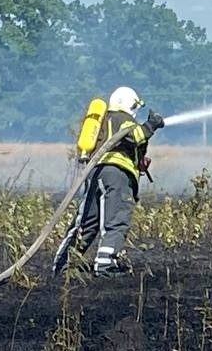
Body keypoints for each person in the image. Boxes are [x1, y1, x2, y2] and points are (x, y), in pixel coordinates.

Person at [53, 86, 166, 276]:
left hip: (96, 173)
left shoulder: (105, 121)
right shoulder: (123, 119)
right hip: (116, 176)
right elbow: (134, 136)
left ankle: (63, 264)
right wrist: (151, 125)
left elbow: (125, 145)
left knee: (87, 221)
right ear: (128, 104)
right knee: (116, 219)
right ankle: (106, 265)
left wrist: (139, 162)